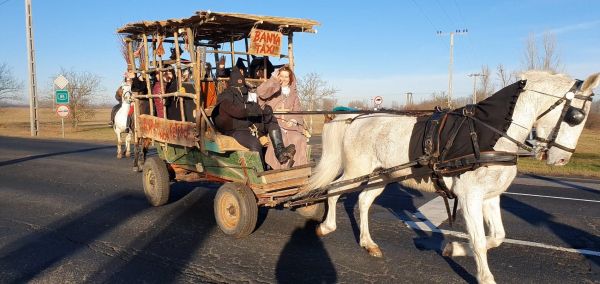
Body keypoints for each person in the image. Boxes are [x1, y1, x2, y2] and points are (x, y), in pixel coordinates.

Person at [212, 66, 296, 166]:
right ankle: (259, 171)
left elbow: (256, 106)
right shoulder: (225, 96)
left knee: (271, 120)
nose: (241, 88)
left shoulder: (248, 92)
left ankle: (280, 152)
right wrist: (252, 109)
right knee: (255, 143)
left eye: (242, 84)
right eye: (238, 86)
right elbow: (237, 111)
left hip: (252, 124)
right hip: (236, 129)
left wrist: (265, 111)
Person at [257, 65, 309, 169]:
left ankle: (297, 168)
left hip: (289, 124)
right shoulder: (271, 89)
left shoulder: (293, 94)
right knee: (282, 139)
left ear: (290, 79)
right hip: (273, 123)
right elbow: (260, 92)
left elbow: (297, 111)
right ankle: (280, 168)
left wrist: (294, 120)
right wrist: (273, 80)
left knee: (298, 138)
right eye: (282, 76)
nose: (284, 79)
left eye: (287, 77)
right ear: (278, 76)